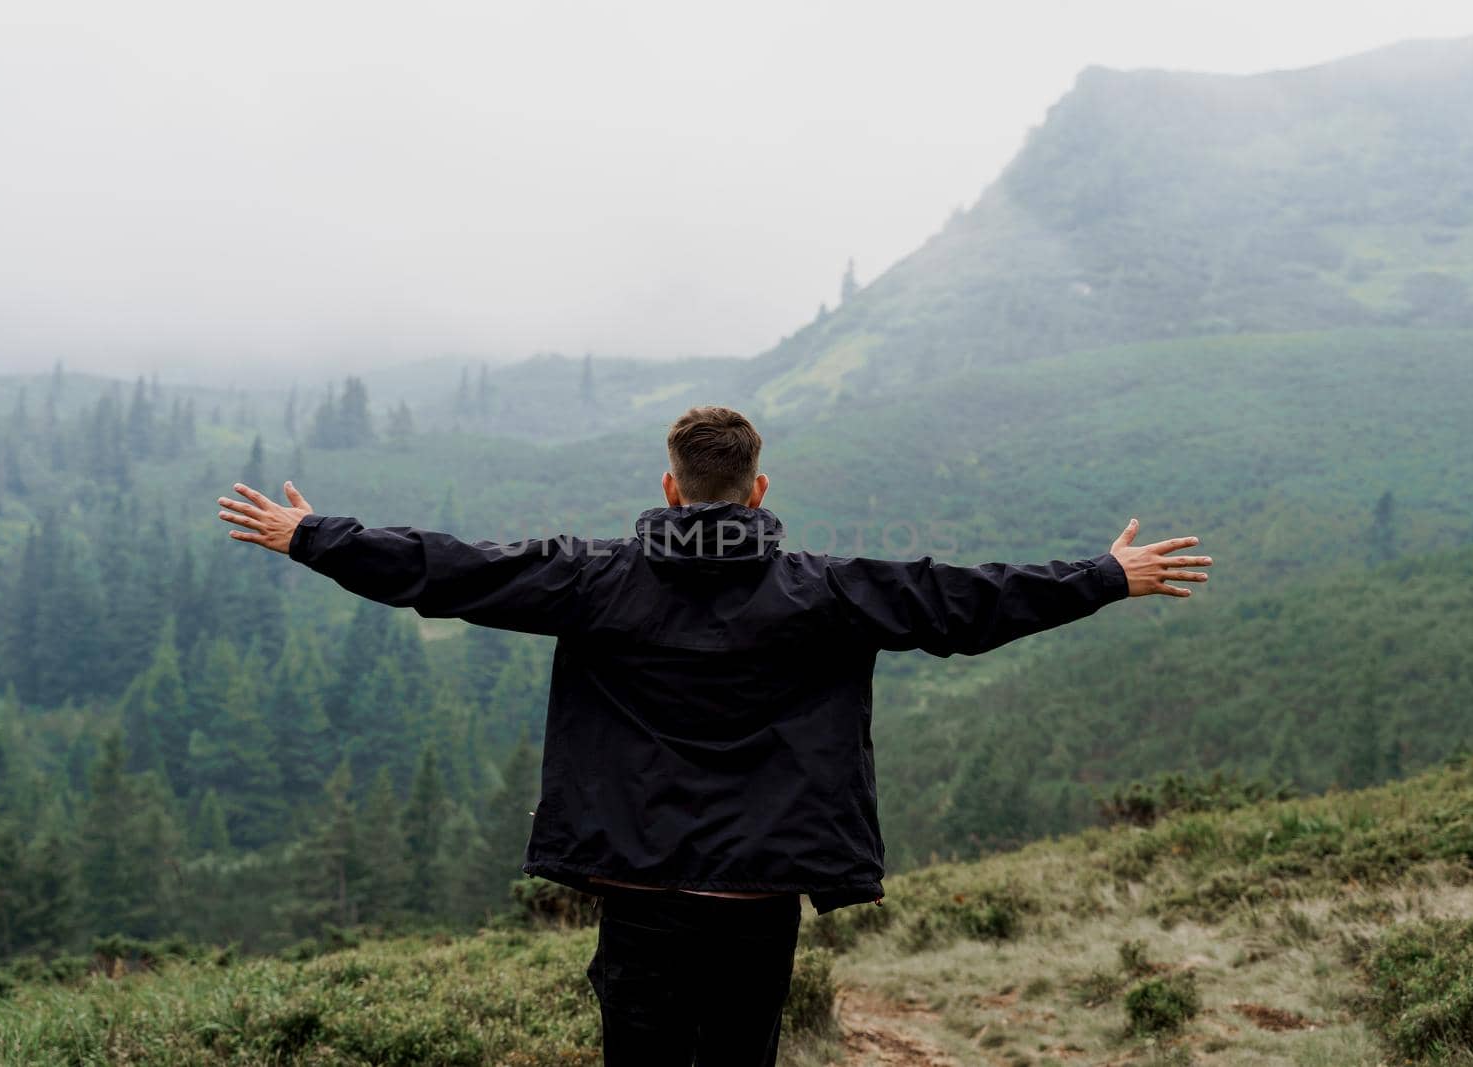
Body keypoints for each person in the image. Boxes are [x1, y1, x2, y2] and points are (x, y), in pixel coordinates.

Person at [215, 405, 1212, 1066]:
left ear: (669, 485)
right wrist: (1105, 576)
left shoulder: (592, 579)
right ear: (758, 489)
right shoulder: (826, 590)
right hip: (757, 882)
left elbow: (449, 568)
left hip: (637, 877)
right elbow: (969, 600)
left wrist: (311, 535)